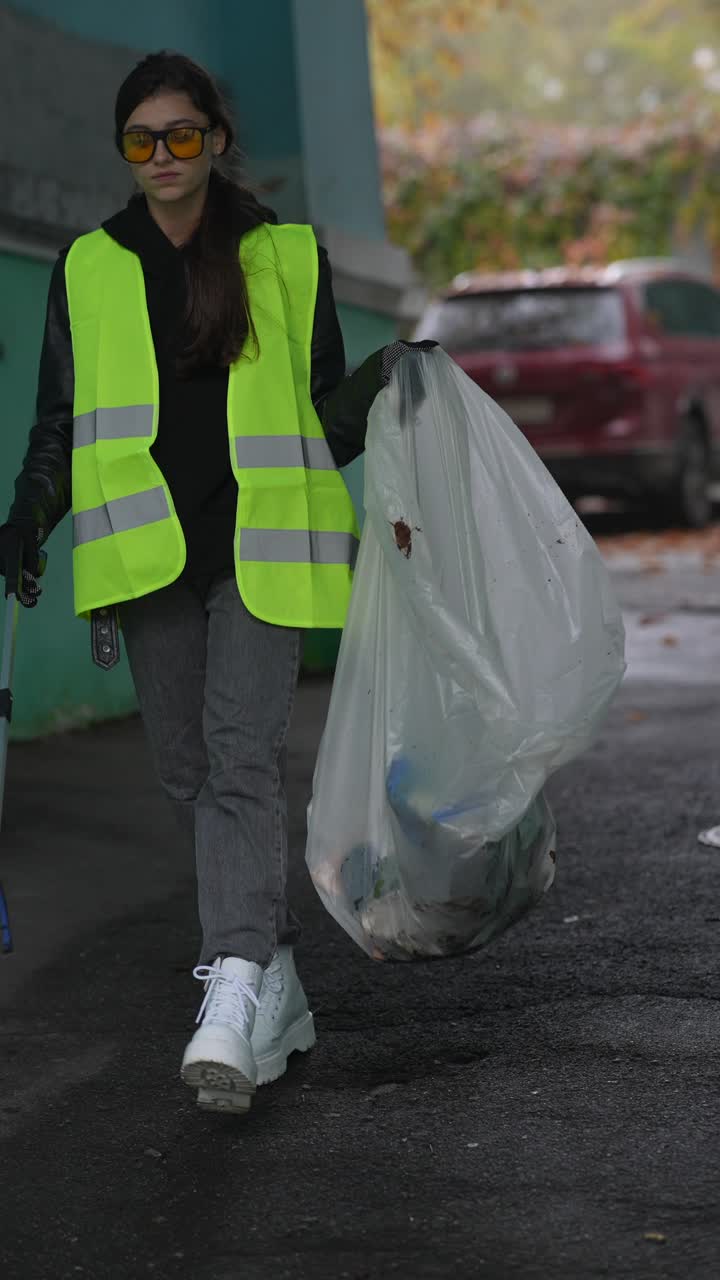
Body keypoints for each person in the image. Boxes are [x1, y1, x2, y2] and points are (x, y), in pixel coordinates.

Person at [0, 51, 433, 1114]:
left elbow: (322, 416)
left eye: (181, 136)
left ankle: (232, 982)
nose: (162, 157)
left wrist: (386, 381)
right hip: (147, 560)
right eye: (141, 140)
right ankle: (273, 973)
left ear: (216, 140)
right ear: (125, 150)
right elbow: (61, 422)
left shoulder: (286, 255)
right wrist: (27, 514)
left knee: (240, 762)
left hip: (262, 549)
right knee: (189, 773)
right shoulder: (91, 265)